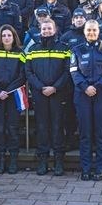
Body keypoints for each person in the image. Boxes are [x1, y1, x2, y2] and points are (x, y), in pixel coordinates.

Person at [70, 20, 102, 181]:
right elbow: (74, 71)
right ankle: (86, 168)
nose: (91, 33)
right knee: (85, 133)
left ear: (99, 31)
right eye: (88, 30)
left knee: (101, 133)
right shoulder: (77, 50)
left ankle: (100, 169)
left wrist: (97, 86)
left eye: (94, 30)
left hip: (101, 95)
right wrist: (85, 87)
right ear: (84, 32)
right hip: (82, 95)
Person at [26, 19, 71, 176]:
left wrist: (55, 87)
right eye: (43, 29)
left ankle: (58, 160)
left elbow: (67, 71)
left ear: (55, 30)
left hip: (58, 94)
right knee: (42, 127)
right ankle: (43, 160)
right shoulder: (33, 49)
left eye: (49, 28)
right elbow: (29, 72)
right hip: (40, 94)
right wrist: (40, 87)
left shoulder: (64, 49)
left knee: (58, 126)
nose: (46, 31)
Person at [0, 25, 26, 174]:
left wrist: (8, 90)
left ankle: (13, 159)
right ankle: (1, 158)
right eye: (4, 36)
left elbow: (23, 75)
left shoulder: (20, 53)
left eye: (9, 35)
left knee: (13, 127)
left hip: (13, 95)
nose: (6, 38)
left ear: (14, 36)